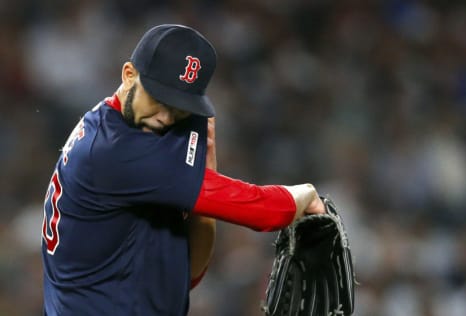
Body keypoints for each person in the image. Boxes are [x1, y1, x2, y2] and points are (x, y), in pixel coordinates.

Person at [41, 24, 325, 316]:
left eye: (179, 108)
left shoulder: (122, 127)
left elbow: (190, 273)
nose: (165, 118)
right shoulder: (115, 153)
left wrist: (204, 173)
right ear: (128, 75)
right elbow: (265, 212)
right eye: (159, 99)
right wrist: (304, 195)